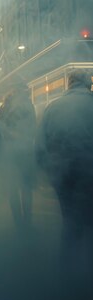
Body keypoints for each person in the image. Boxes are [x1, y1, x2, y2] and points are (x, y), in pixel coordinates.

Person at [36, 70, 93, 279]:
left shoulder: (53, 108)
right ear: (88, 84)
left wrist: (46, 172)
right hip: (89, 172)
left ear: (69, 84)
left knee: (70, 222)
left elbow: (40, 145)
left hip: (64, 174)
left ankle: (67, 276)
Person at [0, 83, 37, 229]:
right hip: (25, 151)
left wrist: (9, 136)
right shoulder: (28, 105)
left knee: (13, 188)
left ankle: (18, 223)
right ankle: (27, 221)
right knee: (26, 187)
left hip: (9, 152)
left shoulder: (4, 107)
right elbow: (33, 127)